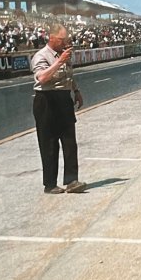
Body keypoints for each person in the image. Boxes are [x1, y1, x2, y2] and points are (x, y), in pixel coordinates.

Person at [31, 23, 87, 194]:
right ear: (52, 38)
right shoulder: (41, 56)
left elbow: (68, 75)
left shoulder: (64, 54)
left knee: (70, 141)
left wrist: (76, 91)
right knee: (49, 144)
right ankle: (50, 184)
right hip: (47, 100)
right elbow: (42, 78)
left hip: (64, 98)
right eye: (62, 40)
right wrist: (59, 61)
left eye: (66, 39)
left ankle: (72, 180)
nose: (65, 43)